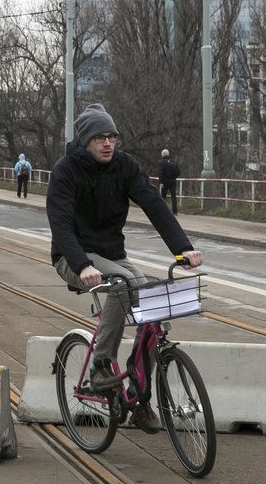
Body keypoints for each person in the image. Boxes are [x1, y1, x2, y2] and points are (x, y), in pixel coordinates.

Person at [47, 104, 202, 433]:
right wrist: (82, 265)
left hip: (111, 254)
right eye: (100, 137)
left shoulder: (124, 166)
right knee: (121, 284)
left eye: (112, 137)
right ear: (85, 140)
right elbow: (60, 225)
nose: (108, 143)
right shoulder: (66, 171)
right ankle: (101, 365)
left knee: (148, 298)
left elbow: (154, 205)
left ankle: (139, 397)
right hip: (72, 256)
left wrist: (183, 248)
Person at [158, 149, 180, 215]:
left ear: (162, 155)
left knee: (163, 196)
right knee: (173, 196)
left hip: (165, 182)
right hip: (173, 181)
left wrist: (161, 182)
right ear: (168, 154)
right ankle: (175, 211)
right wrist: (174, 177)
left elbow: (160, 173)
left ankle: (162, 210)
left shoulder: (161, 162)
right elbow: (178, 171)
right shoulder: (173, 162)